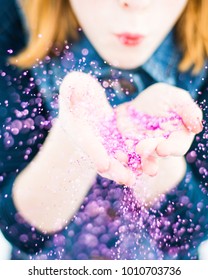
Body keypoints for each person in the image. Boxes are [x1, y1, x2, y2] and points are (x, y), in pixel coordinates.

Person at [0, 0, 207, 260]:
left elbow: (190, 232)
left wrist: (157, 150)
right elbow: (22, 232)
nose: (136, 5)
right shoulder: (13, 20)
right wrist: (73, 138)